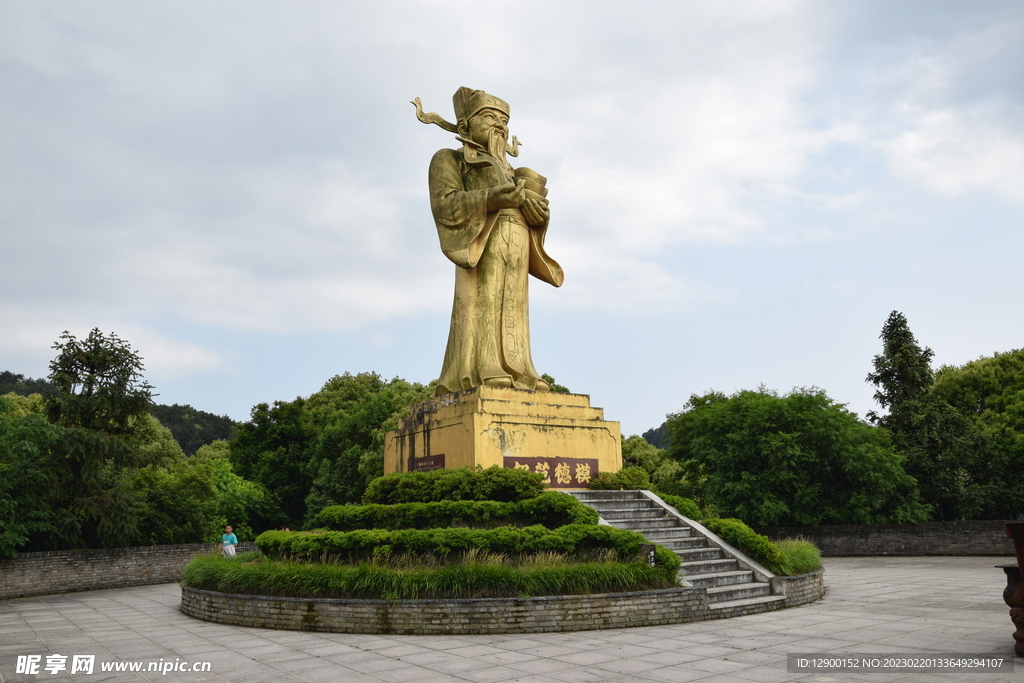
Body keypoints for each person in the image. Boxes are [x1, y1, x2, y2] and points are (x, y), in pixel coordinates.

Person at [423, 87, 564, 395]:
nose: (499, 126)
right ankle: (480, 368)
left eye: (504, 120)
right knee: (482, 303)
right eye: (489, 117)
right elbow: (444, 203)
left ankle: (522, 370)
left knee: (514, 308)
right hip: (480, 239)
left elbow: (534, 216)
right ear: (464, 126)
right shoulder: (451, 159)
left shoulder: (512, 172)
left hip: (517, 241)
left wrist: (538, 215)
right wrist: (489, 198)